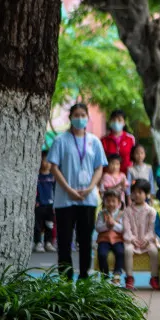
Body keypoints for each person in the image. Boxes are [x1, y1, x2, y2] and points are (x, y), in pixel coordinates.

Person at [46, 103, 108, 280]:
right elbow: (54, 167)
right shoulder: (60, 140)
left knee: (85, 240)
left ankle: (83, 278)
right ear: (70, 117)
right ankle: (65, 279)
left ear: (87, 118)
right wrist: (68, 189)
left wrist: (90, 188)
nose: (80, 118)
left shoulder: (94, 141)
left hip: (87, 199)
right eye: (76, 115)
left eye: (83, 115)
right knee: (64, 241)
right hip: (65, 199)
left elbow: (99, 168)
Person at [123, 180, 159, 290]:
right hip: (132, 240)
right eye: (134, 192)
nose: (137, 195)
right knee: (128, 250)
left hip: (147, 240)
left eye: (140, 192)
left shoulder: (151, 211)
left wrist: (147, 239)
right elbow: (126, 227)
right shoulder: (127, 211)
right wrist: (132, 239)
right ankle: (129, 277)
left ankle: (154, 277)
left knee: (154, 251)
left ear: (147, 194)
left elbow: (152, 228)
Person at [95, 190, 126, 285]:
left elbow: (123, 229)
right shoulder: (101, 214)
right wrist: (106, 225)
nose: (111, 204)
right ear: (104, 202)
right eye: (108, 201)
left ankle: (117, 275)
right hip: (104, 240)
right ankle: (105, 275)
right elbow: (98, 228)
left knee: (120, 252)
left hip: (117, 239)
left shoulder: (122, 214)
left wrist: (114, 225)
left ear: (119, 203)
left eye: (113, 201)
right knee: (102, 254)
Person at [34, 152, 56, 253]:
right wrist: (35, 201)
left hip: (50, 205)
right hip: (39, 204)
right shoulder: (36, 177)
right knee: (37, 224)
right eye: (44, 160)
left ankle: (48, 242)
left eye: (48, 161)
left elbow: (55, 191)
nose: (46, 163)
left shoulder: (53, 177)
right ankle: (38, 242)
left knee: (49, 225)